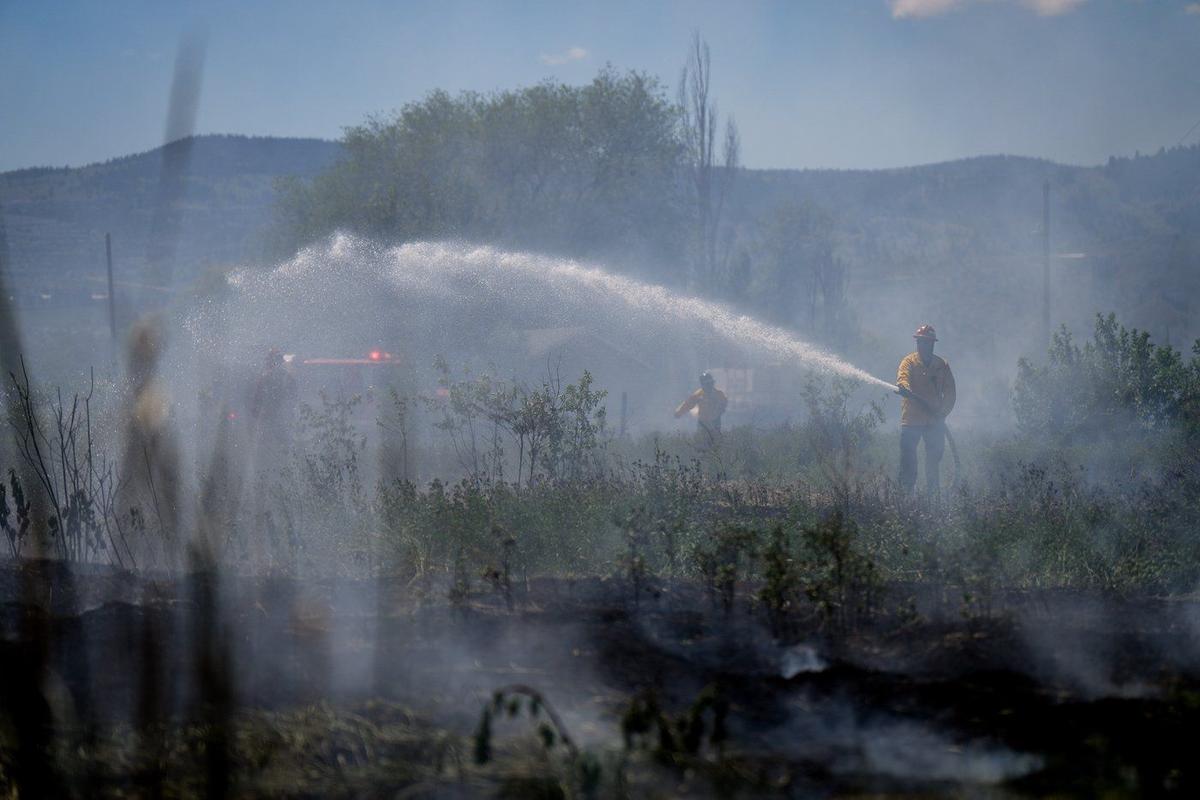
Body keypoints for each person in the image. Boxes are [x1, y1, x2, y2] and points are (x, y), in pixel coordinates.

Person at [896, 324, 956, 495]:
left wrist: (942, 413)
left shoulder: (942, 365)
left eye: (926, 342)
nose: (923, 345)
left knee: (933, 460)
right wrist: (904, 387)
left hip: (934, 421)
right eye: (920, 342)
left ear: (932, 344)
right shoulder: (909, 362)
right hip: (912, 420)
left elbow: (950, 393)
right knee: (908, 460)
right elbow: (903, 377)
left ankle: (932, 497)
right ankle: (905, 496)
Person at [675, 371, 728, 446]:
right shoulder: (699, 395)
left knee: (716, 442)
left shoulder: (719, 394)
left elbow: (724, 404)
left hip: (715, 422)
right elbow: (688, 404)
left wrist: (719, 412)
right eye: (707, 384)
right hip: (702, 423)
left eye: (710, 383)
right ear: (703, 385)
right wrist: (678, 413)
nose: (709, 386)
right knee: (701, 442)